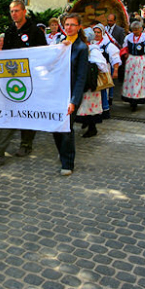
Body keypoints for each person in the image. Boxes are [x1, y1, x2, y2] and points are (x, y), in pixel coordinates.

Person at [0, 0, 47, 165]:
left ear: (24, 11)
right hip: (13, 80)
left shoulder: (35, 31)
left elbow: (44, 54)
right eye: (11, 11)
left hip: (31, 80)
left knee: (28, 114)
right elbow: (5, 55)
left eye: (17, 10)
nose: (14, 14)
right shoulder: (9, 31)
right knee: (11, 113)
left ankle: (26, 144)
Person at [54, 14, 88, 176]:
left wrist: (73, 101)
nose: (69, 27)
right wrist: (60, 49)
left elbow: (81, 77)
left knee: (66, 127)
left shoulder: (81, 48)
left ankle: (68, 162)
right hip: (57, 92)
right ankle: (62, 151)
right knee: (55, 125)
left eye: (73, 25)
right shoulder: (59, 42)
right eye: (67, 24)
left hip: (71, 93)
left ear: (79, 27)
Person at [121, 21, 145, 111]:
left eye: (137, 30)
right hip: (131, 61)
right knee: (130, 79)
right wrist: (125, 54)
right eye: (133, 30)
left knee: (138, 80)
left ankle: (137, 99)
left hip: (141, 61)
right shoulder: (128, 37)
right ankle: (130, 97)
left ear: (141, 29)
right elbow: (125, 48)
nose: (135, 32)